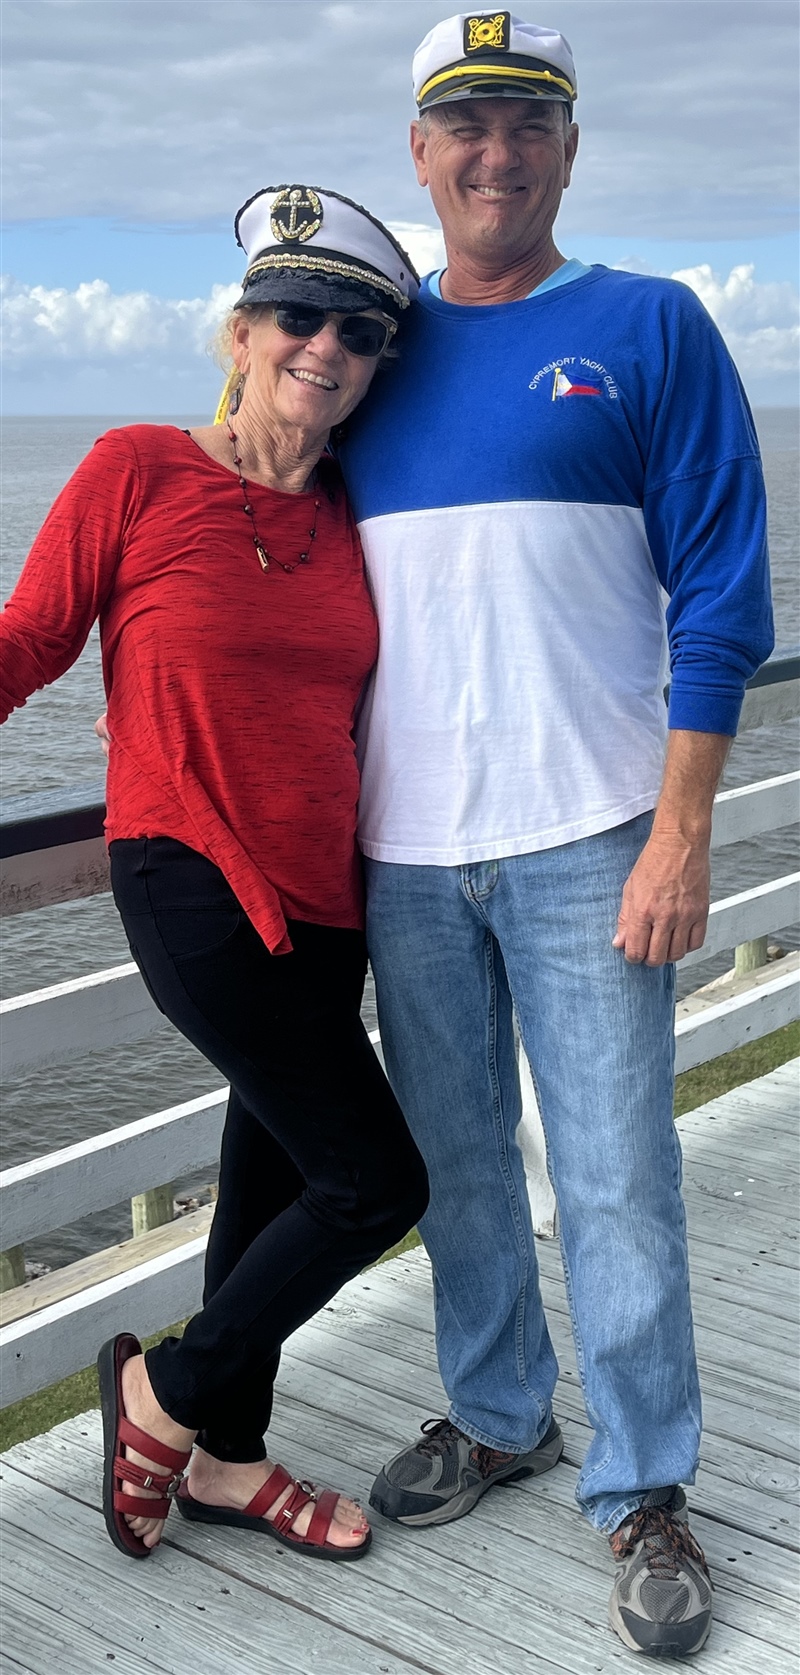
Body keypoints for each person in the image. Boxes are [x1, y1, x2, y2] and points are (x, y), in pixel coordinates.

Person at [334, 13, 774, 1659]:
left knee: (618, 1180)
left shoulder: (650, 325)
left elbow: (723, 593)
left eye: (528, 122)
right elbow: (260, 536)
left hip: (594, 832)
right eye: (466, 124)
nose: (496, 153)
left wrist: (681, 834)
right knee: (457, 1168)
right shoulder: (369, 346)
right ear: (419, 152)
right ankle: (501, 1413)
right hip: (406, 849)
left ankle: (645, 1486)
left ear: (571, 149)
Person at [0, 186, 428, 1564]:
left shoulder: (359, 511)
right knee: (375, 1184)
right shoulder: (137, 468)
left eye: (359, 332)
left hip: (329, 899)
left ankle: (228, 1460)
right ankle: (164, 1395)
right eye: (297, 315)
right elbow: (27, 640)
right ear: (240, 334)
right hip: (190, 875)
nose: (326, 347)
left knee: (272, 1178)